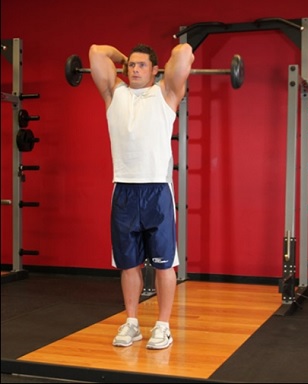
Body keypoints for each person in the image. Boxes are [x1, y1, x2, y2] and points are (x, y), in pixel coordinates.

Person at [89, 42, 194, 350]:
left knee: (164, 264)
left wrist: (155, 67)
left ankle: (163, 326)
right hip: (123, 188)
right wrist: (122, 59)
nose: (134, 69)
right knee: (128, 263)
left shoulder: (166, 94)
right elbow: (96, 52)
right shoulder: (113, 94)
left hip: (157, 191)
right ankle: (132, 322)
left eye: (141, 65)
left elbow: (185, 51)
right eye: (131, 65)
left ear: (155, 70)